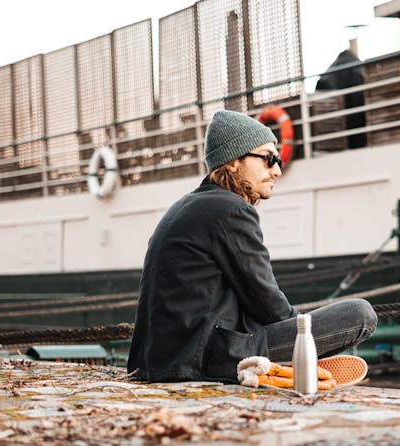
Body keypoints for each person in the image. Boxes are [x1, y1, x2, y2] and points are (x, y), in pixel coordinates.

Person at [127, 109, 377, 383]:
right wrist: (305, 336)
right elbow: (270, 306)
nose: (277, 170)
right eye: (269, 159)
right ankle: (292, 364)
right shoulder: (230, 209)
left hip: (161, 359)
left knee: (307, 322)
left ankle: (287, 364)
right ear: (233, 161)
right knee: (360, 314)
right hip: (200, 361)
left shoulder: (187, 207)